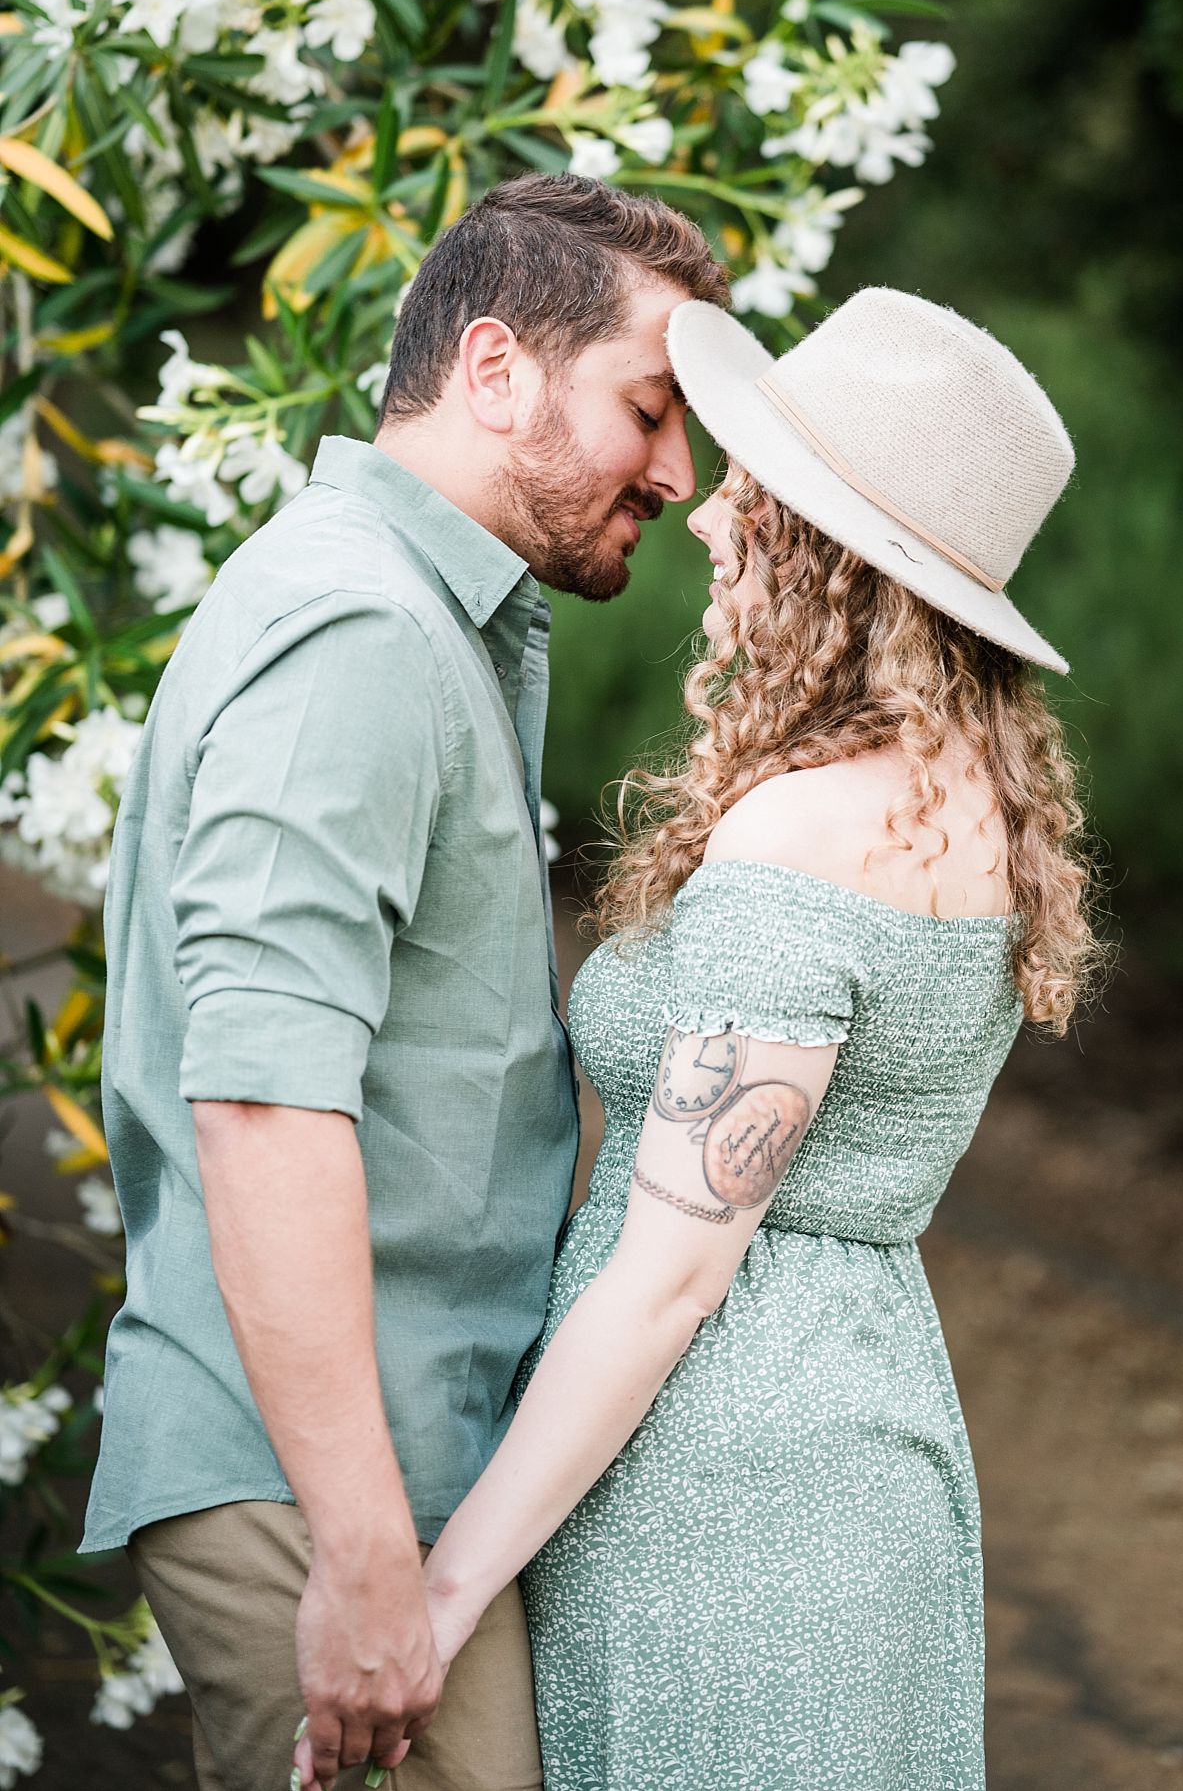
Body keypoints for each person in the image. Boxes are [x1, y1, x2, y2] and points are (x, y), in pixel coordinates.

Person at [80, 173, 731, 1791]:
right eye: (650, 407)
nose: (681, 470)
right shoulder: (361, 628)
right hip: (322, 1483)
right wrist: (368, 1553)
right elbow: (260, 1101)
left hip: (396, 1459)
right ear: (494, 367)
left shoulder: (437, 616)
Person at [414, 283, 1110, 1790]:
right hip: (870, 1446)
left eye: (755, 492)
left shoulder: (803, 834)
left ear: (826, 552)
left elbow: (670, 1276)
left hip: (723, 1493)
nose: (714, 519)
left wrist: (448, 1585)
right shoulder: (972, 808)